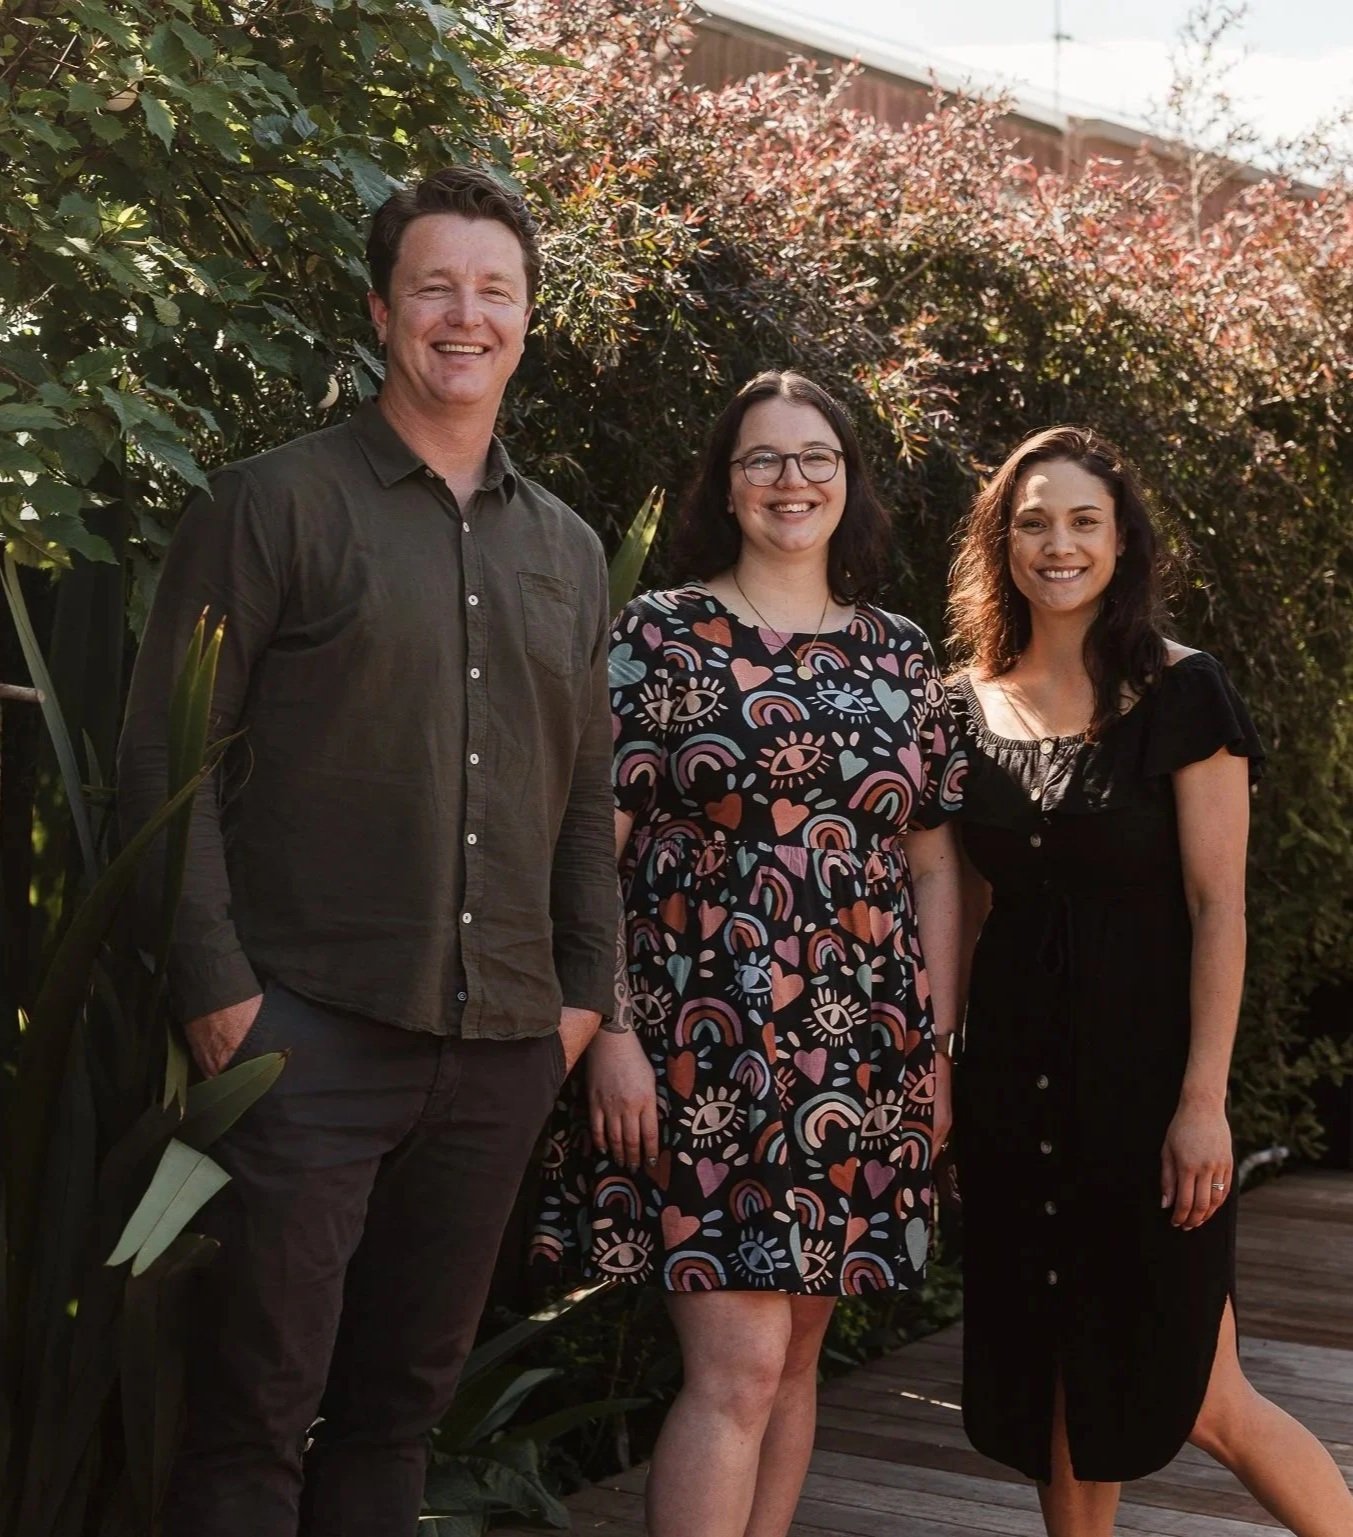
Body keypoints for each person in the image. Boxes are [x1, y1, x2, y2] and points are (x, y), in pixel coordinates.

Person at [116, 167, 616, 1537]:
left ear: (528, 316)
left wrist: (579, 1003)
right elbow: (167, 762)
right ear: (382, 308)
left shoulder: (570, 552)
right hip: (305, 1037)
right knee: (254, 1416)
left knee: (398, 1414)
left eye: (495, 290)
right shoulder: (273, 505)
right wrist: (222, 998)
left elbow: (580, 794)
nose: (468, 314)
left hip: (504, 1044)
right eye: (436, 286)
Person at [531, 371, 966, 1537]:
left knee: (797, 1359)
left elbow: (933, 864)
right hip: (702, 1048)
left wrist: (936, 1052)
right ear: (726, 487)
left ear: (849, 481)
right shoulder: (660, 633)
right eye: (764, 459)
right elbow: (592, 851)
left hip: (862, 1053)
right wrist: (609, 1030)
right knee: (736, 1364)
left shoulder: (901, 651)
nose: (792, 480)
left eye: (816, 456)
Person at [946, 425, 1353, 1537]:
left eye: (1084, 520)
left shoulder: (1184, 692)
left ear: (1123, 540)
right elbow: (969, 918)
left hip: (1148, 1095)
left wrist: (1204, 1101)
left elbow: (1221, 908)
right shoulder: (961, 707)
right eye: (1033, 521)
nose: (1058, 543)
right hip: (1015, 1097)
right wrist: (944, 1080)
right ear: (1003, 540)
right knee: (1056, 1391)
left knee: (1206, 1395)